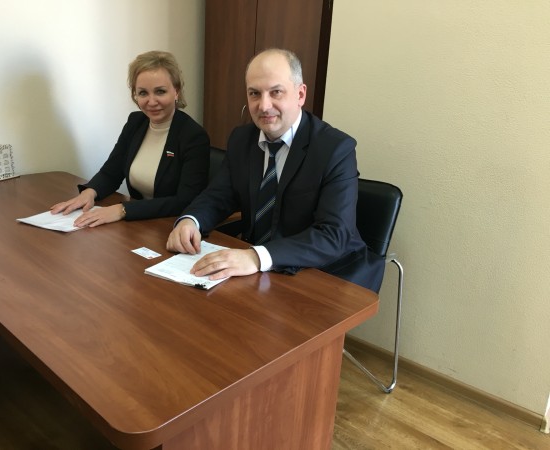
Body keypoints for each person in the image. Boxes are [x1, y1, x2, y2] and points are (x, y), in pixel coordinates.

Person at [166, 48, 384, 292]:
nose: (264, 105)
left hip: (323, 274)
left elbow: (333, 235)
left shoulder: (335, 149)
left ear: (300, 94)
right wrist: (191, 220)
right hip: (261, 275)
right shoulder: (242, 139)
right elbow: (219, 195)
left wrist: (256, 257)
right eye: (254, 93)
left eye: (276, 92)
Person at [51, 50, 210, 227]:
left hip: (171, 226)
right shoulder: (136, 122)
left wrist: (123, 210)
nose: (151, 101)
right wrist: (90, 192)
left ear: (176, 91)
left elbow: (185, 200)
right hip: (137, 225)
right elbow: (111, 172)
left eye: (160, 91)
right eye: (143, 93)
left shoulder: (193, 136)